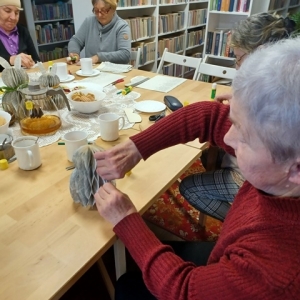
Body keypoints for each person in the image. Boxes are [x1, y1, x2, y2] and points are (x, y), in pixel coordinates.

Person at [94, 37, 300, 299]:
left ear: (296, 170)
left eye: (244, 136)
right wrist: (136, 148)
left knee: (125, 287)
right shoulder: (284, 159)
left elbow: (182, 290)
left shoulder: (276, 273)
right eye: (234, 121)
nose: (227, 139)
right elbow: (208, 116)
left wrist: (126, 219)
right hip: (229, 252)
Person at [180, 12, 296, 222]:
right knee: (207, 155)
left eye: (238, 58)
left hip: (255, 180)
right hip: (270, 179)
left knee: (190, 186)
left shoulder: (271, 107)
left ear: (259, 54)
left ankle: (242, 220)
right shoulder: (286, 81)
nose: (236, 66)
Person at [67, 0, 131, 65]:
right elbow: (76, 41)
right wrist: (74, 52)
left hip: (115, 72)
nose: (99, 15)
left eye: (104, 10)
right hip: (91, 71)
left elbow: (125, 54)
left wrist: (98, 58)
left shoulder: (122, 26)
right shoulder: (89, 21)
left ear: (113, 9)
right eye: (96, 10)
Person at [0, 0, 40, 71]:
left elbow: (36, 60)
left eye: (16, 13)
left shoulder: (23, 31)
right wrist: (11, 60)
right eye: (7, 11)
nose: (13, 18)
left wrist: (32, 63)